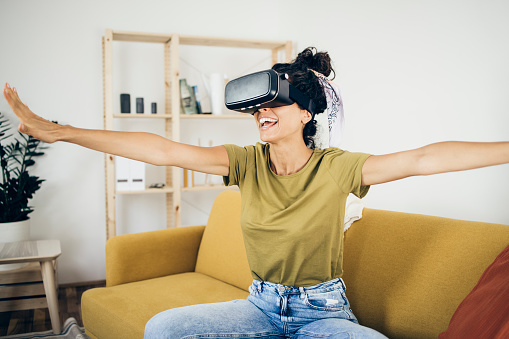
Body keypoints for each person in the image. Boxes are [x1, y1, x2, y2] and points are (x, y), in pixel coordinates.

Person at [3, 47, 509, 339]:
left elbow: (423, 158)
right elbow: (161, 149)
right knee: (164, 330)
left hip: (322, 314)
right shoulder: (244, 163)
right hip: (259, 305)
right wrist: (63, 130)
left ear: (307, 114)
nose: (262, 112)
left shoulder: (338, 169)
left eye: (277, 104)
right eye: (257, 108)